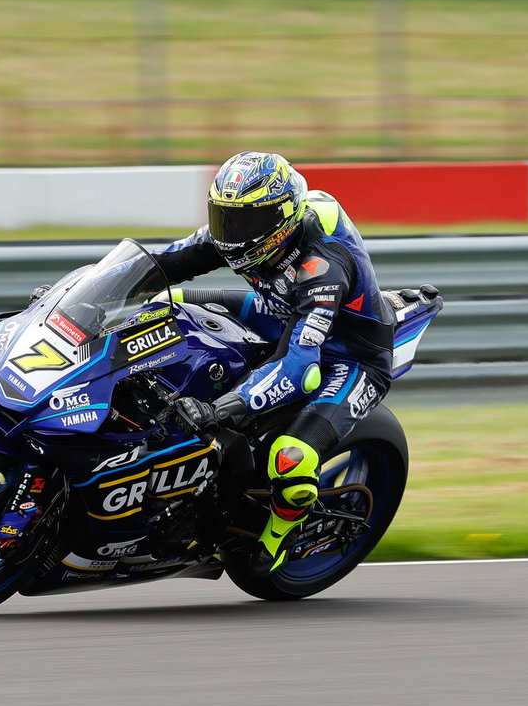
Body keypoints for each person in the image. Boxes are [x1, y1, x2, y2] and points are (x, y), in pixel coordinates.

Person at [152, 151, 402, 575]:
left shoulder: (322, 267)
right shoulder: (247, 235)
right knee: (165, 302)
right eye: (223, 217)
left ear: (281, 218)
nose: (230, 234)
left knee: (291, 456)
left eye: (243, 222)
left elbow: (299, 367)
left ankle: (280, 533)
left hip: (349, 354)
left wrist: (219, 409)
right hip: (282, 311)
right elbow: (160, 263)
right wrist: (82, 296)